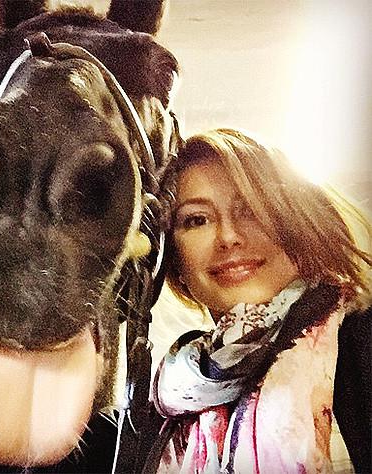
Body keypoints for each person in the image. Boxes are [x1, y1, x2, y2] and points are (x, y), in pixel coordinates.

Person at [146, 128, 371, 473]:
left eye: (250, 209)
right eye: (197, 220)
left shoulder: (361, 339)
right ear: (175, 260)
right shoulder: (162, 405)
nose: (229, 237)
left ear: (295, 223)